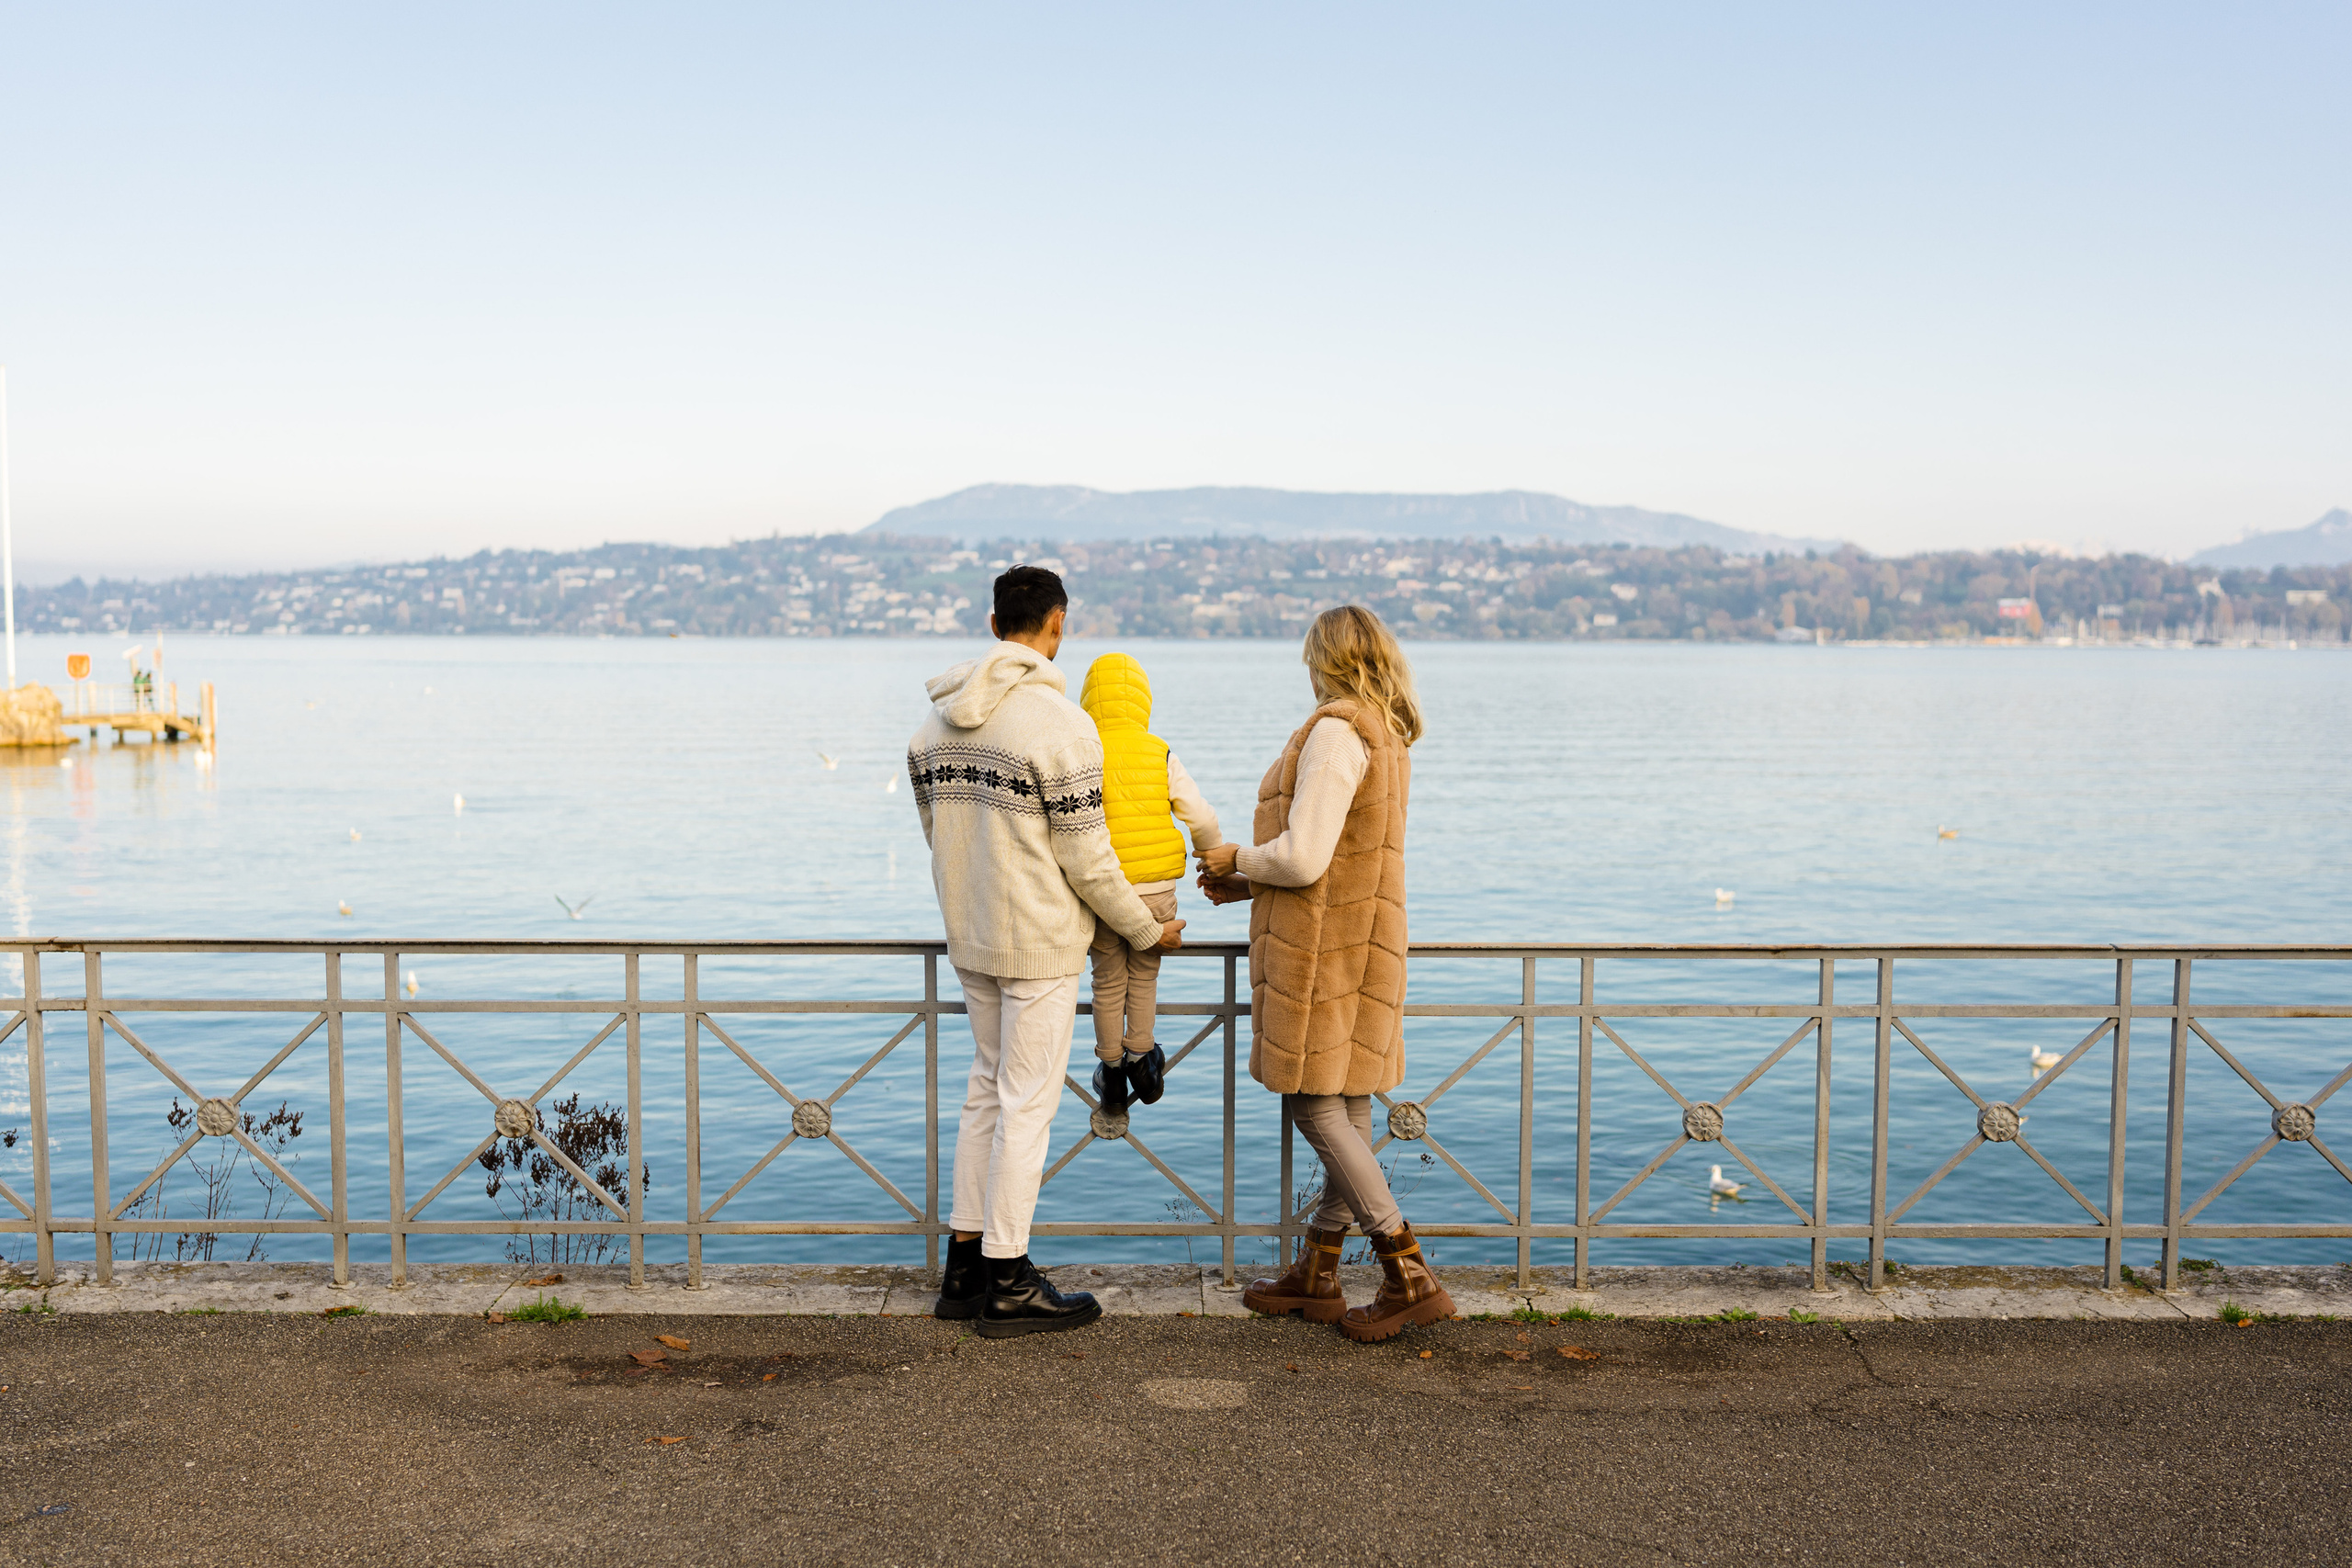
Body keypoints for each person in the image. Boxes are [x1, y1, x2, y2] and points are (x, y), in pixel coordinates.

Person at [908, 565, 1185, 1338]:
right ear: (1056, 626)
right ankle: (1008, 1276)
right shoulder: (1064, 728)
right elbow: (1090, 861)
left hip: (972, 934)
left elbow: (940, 838)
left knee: (985, 1091)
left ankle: (963, 1267)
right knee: (1027, 1102)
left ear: (995, 624)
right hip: (1038, 943)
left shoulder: (931, 731)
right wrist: (1144, 930)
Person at [1195, 604, 1453, 1343]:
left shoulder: (1336, 733)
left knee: (1316, 1108)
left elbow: (1305, 857)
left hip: (1320, 958)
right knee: (1353, 1106)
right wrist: (1250, 884)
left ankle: (1407, 1272)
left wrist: (1236, 858)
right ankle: (1318, 1271)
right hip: (1363, 945)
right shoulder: (1385, 733)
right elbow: (1340, 856)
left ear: (1326, 659)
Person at [1076, 652, 1224, 1117]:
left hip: (1102, 892)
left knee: (1106, 981)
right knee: (1144, 975)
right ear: (1143, 702)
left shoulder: (1083, 750)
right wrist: (1212, 857)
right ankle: (1142, 1056)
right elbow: (1198, 814)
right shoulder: (1159, 751)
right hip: (1157, 889)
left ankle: (1111, 1073)